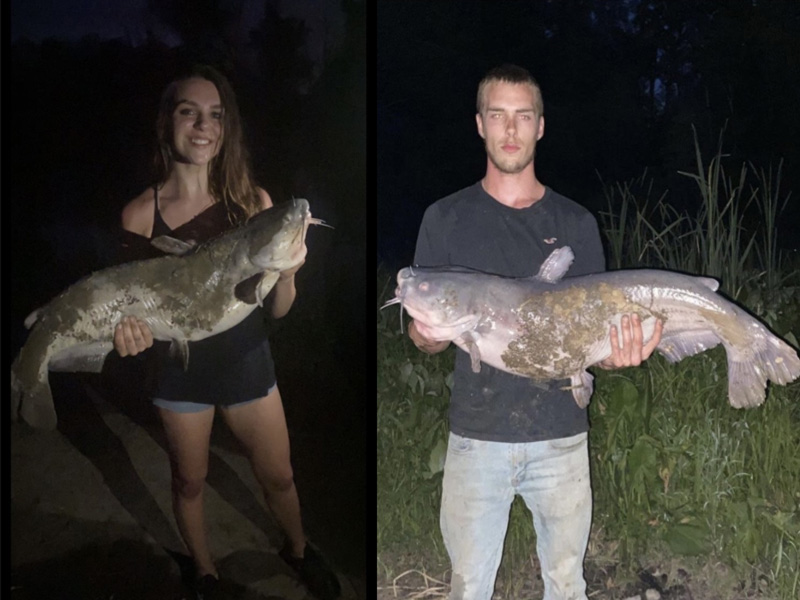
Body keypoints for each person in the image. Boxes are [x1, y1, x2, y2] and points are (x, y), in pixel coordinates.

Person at [408, 64, 664, 600]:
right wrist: (426, 335)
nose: (509, 130)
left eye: (522, 116)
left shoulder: (575, 224)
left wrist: (619, 353)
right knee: (469, 585)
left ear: (540, 126)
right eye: (497, 115)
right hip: (475, 438)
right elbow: (425, 330)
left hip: (561, 436)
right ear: (479, 123)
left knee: (567, 583)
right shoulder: (444, 219)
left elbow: (594, 337)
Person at [113, 64, 340, 600]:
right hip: (178, 371)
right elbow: (128, 308)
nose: (202, 125)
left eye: (215, 115)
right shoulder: (140, 216)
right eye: (188, 111)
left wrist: (286, 274)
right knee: (190, 481)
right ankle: (205, 571)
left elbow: (280, 311)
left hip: (247, 360)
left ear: (226, 127)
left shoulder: (253, 203)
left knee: (280, 476)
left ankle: (299, 549)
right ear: (168, 122)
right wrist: (127, 333)